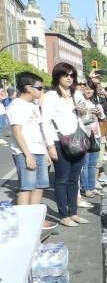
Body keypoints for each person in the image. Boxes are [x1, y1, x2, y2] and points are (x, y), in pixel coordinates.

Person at [41, 62, 88, 228]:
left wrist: (83, 111)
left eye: (71, 75)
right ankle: (63, 215)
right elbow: (45, 123)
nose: (69, 78)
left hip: (78, 140)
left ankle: (73, 212)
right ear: (58, 76)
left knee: (74, 179)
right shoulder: (51, 96)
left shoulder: (77, 95)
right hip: (59, 142)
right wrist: (50, 146)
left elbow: (84, 117)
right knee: (62, 179)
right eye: (65, 75)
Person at [7, 72, 57, 228]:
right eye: (39, 88)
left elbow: (38, 130)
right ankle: (22, 224)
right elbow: (17, 132)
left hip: (39, 151)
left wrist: (46, 151)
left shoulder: (33, 105)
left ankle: (35, 221)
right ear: (28, 88)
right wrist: (27, 155)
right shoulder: (16, 106)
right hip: (25, 152)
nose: (42, 91)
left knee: (40, 185)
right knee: (27, 187)